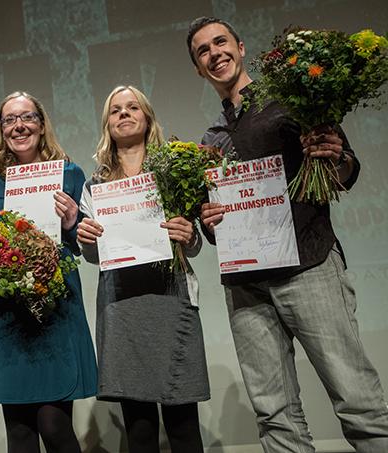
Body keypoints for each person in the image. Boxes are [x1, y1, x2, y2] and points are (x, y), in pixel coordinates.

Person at [187, 16, 388, 452]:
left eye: (220, 42)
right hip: (247, 287)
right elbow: (217, 227)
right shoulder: (211, 139)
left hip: (309, 267)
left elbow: (345, 169)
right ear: (199, 69)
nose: (214, 53)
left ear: (241, 47)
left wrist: (335, 156)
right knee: (275, 417)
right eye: (203, 51)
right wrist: (210, 219)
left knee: (357, 401)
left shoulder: (289, 102)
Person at [76, 85, 209, 453]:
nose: (124, 113)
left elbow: (194, 244)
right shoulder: (95, 185)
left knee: (183, 426)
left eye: (132, 107)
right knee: (140, 429)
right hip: (121, 307)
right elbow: (93, 256)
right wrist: (86, 240)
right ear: (107, 124)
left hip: (171, 301)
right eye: (115, 109)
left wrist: (189, 234)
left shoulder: (173, 172)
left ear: (147, 118)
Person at [0, 91, 97, 453]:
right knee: (21, 435)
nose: (19, 126)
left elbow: (81, 240)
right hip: (6, 316)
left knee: (55, 427)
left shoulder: (69, 174)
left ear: (42, 125)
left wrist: (72, 223)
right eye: (9, 119)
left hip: (54, 310)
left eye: (27, 117)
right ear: (1, 129)